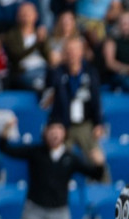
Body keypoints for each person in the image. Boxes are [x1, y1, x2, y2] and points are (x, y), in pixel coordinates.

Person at [0, 118, 105, 219]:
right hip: (34, 209)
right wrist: (5, 132)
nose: (55, 133)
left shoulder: (71, 158)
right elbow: (6, 149)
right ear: (45, 132)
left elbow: (96, 175)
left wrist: (100, 164)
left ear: (64, 133)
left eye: (59, 129)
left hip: (60, 211)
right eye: (51, 129)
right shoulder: (35, 152)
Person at [45, 37, 105, 167]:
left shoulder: (90, 72)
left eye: (75, 50)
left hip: (85, 124)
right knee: (58, 159)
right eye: (69, 50)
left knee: (97, 158)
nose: (72, 53)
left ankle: (103, 186)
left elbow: (96, 99)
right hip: (63, 124)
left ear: (81, 52)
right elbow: (48, 87)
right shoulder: (57, 72)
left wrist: (99, 123)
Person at [2, 2, 51, 92]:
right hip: (24, 72)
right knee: (40, 84)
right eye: (23, 13)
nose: (26, 16)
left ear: (36, 16)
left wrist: (43, 42)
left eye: (29, 13)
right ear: (17, 16)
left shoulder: (41, 33)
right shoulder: (11, 35)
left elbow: (48, 56)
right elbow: (16, 56)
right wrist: (37, 43)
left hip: (43, 69)